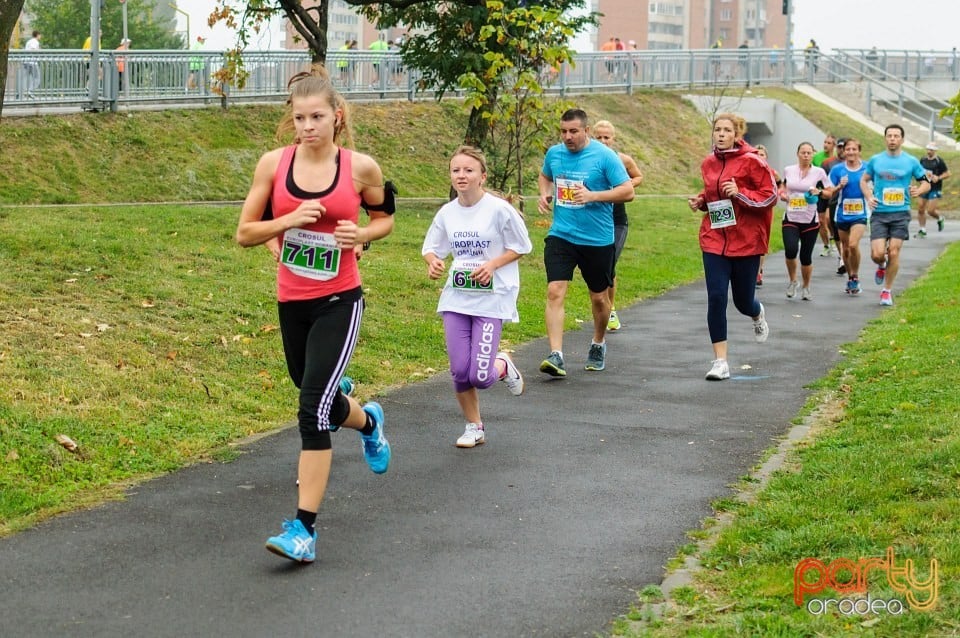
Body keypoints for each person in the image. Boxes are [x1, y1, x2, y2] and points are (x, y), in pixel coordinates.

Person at [235, 68, 395, 563]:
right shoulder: (272, 165)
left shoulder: (359, 167)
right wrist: (286, 221)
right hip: (292, 301)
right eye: (299, 117)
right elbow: (245, 232)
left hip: (339, 300)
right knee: (313, 392)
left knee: (312, 411)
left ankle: (302, 531)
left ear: (336, 116)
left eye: (317, 116)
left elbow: (384, 216)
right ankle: (369, 423)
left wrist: (361, 237)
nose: (307, 126)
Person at [421, 146, 533, 448]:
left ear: (482, 176)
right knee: (459, 371)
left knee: (481, 376)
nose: (461, 175)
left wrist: (493, 264)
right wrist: (433, 262)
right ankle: (474, 426)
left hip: (491, 299)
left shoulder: (499, 210)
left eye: (468, 170)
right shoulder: (447, 213)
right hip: (456, 298)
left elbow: (522, 246)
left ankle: (503, 364)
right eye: (456, 170)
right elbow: (431, 247)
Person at [537, 108, 635, 376]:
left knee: (600, 299)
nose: (567, 137)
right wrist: (544, 194)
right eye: (563, 131)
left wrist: (593, 196)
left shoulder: (605, 157)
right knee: (555, 290)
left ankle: (598, 342)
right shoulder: (554, 153)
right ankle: (556, 354)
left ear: (586, 131)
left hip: (597, 239)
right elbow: (545, 175)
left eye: (573, 131)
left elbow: (628, 191)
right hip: (562, 234)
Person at [688, 113, 775, 381]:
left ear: (737, 134)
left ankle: (757, 313)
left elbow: (769, 197)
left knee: (742, 301)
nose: (721, 134)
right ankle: (720, 361)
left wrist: (740, 193)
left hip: (746, 242)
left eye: (727, 130)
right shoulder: (708, 163)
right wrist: (701, 201)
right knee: (716, 297)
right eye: (717, 130)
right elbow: (712, 195)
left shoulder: (753, 161)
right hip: (714, 239)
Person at [860, 124, 930, 306]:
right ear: (885, 139)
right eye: (889, 136)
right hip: (880, 213)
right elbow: (864, 180)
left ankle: (886, 291)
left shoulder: (911, 161)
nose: (892, 139)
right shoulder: (876, 160)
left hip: (901, 213)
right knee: (877, 254)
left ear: (902, 139)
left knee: (894, 251)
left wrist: (919, 190)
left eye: (896, 136)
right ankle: (881, 265)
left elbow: (926, 182)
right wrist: (868, 196)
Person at [591, 120, 644, 330]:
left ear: (614, 139)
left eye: (607, 137)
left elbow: (638, 176)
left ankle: (610, 310)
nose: (603, 141)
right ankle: (600, 306)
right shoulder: (588, 160)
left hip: (616, 221)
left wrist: (626, 185)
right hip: (595, 220)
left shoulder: (622, 159)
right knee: (598, 267)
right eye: (599, 137)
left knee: (609, 263)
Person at [780, 142, 827, 301]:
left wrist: (819, 192)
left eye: (809, 153)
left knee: (806, 257)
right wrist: (783, 194)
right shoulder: (788, 170)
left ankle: (806, 287)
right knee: (790, 250)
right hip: (791, 217)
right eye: (803, 152)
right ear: (798, 154)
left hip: (809, 219)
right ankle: (793, 281)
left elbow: (829, 192)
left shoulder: (819, 172)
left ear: (813, 154)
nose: (806, 155)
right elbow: (783, 187)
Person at [823, 138, 869, 295]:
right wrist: (839, 186)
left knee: (853, 244)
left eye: (854, 149)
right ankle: (850, 277)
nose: (850, 152)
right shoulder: (837, 170)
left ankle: (855, 276)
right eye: (848, 149)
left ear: (859, 151)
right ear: (844, 152)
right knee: (846, 248)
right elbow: (828, 192)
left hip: (860, 214)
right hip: (842, 213)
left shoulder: (867, 168)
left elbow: (877, 185)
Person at [753, 144, 779, 287]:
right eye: (756, 154)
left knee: (762, 241)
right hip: (750, 209)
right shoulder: (747, 170)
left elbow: (781, 186)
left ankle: (758, 271)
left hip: (765, 211)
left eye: (762, 154)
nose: (759, 157)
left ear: (766, 157)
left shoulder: (771, 172)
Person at [812, 135, 837, 256]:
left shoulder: (836, 159)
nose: (826, 145)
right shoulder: (817, 157)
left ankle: (834, 239)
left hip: (832, 192)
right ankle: (826, 245)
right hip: (820, 192)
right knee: (821, 221)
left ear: (834, 145)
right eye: (825, 142)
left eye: (829, 143)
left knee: (829, 219)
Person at [917, 142, 949, 236]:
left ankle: (940, 218)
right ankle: (922, 230)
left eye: (931, 150)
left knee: (930, 211)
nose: (928, 151)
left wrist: (938, 177)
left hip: (935, 188)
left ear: (935, 150)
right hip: (924, 186)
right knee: (920, 209)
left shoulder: (939, 161)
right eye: (927, 149)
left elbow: (947, 173)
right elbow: (919, 171)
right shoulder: (923, 160)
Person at [24, 30, 41, 99]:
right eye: (40, 35)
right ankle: (30, 91)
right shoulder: (35, 41)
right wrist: (39, 51)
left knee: (28, 78)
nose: (40, 36)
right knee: (37, 78)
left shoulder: (29, 41)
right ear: (37, 35)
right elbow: (33, 49)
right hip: (32, 62)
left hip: (26, 62)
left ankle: (24, 92)